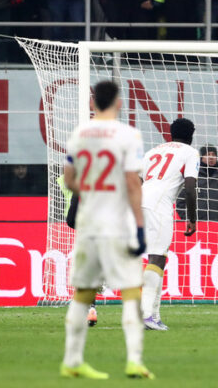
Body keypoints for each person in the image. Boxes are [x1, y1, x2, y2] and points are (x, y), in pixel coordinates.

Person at [60, 80, 153, 379]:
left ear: (92, 103)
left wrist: (89, 192)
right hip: (115, 221)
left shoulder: (79, 134)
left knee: (83, 293)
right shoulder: (127, 135)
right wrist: (139, 226)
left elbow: (69, 178)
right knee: (130, 291)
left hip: (88, 221)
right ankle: (134, 360)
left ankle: (72, 361)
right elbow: (132, 184)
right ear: (118, 102)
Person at [138, 118, 199, 331]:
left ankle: (153, 315)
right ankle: (145, 314)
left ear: (171, 133)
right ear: (191, 134)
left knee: (157, 257)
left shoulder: (153, 151)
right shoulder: (190, 152)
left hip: (139, 201)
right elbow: (190, 187)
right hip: (160, 205)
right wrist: (191, 218)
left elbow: (138, 179)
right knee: (156, 256)